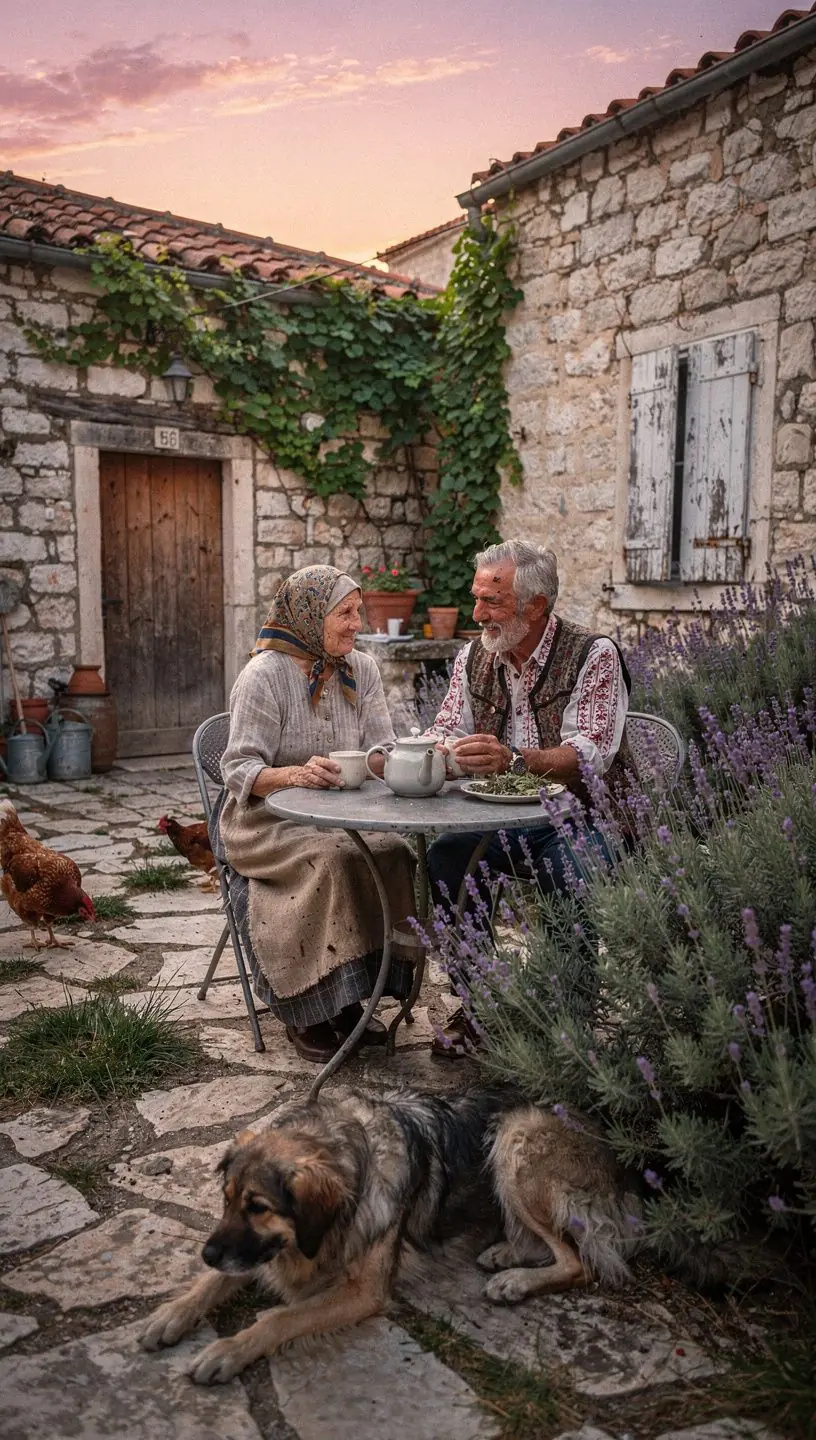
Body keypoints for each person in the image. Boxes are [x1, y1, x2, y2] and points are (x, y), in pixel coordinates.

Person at [427, 539, 634, 1057]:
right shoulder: (475, 655)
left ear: (536, 605)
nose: (477, 614)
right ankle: (481, 1005)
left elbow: (588, 753)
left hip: (578, 817)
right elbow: (446, 728)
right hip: (496, 819)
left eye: (491, 602)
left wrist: (515, 759)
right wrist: (434, 752)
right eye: (476, 599)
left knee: (573, 871)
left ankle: (570, 1016)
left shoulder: (594, 654)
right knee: (443, 860)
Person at [219, 564, 416, 1064]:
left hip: (340, 812)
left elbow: (382, 748)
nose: (357, 623)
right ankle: (306, 1009)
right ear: (310, 616)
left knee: (393, 850)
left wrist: (385, 762)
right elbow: (238, 768)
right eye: (345, 613)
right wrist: (293, 775)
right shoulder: (264, 676)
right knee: (332, 860)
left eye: (359, 612)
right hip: (265, 821)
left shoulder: (361, 669)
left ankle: (353, 998)